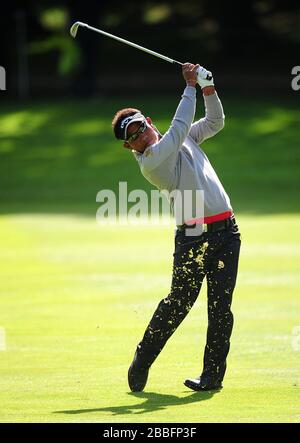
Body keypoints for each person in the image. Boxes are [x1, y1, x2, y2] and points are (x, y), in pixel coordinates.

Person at [111, 63, 241, 392]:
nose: (141, 135)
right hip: (193, 236)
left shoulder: (179, 140)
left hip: (227, 231)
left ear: (148, 122)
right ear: (130, 147)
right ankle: (142, 359)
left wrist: (208, 87)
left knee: (220, 307)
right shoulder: (153, 160)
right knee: (179, 303)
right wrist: (190, 85)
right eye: (133, 136)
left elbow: (215, 122)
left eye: (140, 127)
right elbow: (181, 125)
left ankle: (212, 376)